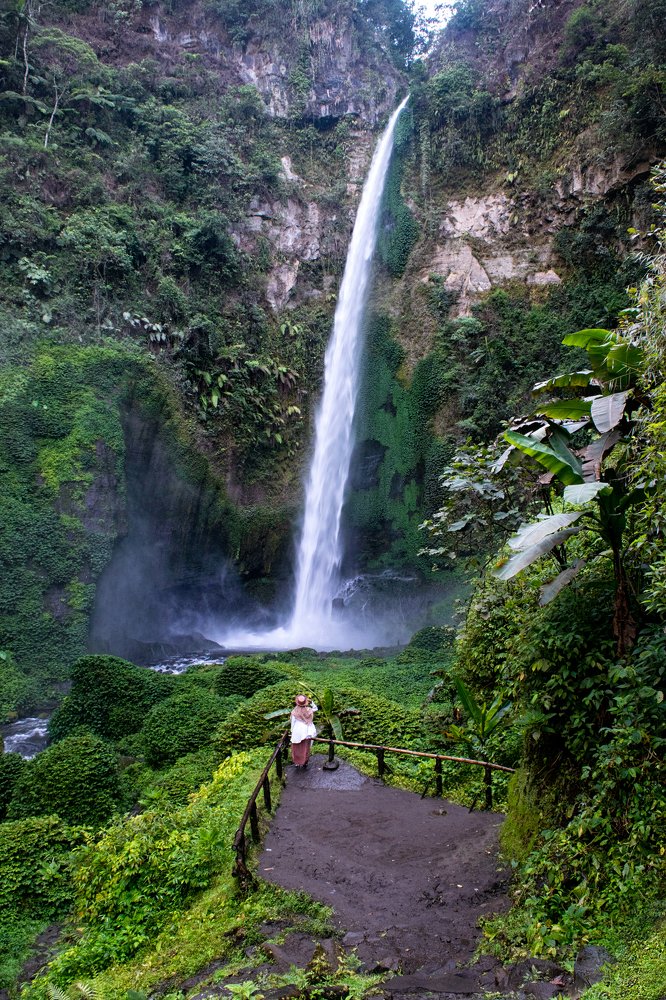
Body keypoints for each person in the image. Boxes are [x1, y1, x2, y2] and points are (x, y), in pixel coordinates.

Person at [290, 694, 318, 769]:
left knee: (296, 747)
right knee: (305, 747)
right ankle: (305, 762)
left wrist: (292, 731)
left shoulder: (294, 711)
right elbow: (315, 708)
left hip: (297, 731)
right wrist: (311, 702)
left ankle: (297, 763)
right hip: (307, 731)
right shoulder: (309, 710)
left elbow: (292, 722)